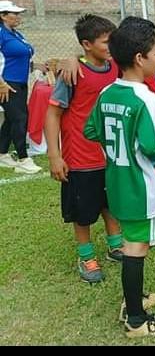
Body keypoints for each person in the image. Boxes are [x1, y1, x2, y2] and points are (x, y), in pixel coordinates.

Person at [59, 20, 155, 243]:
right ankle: (137, 232)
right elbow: (94, 60)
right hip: (142, 129)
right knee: (144, 174)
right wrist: (71, 59)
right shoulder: (123, 67)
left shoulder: (147, 67)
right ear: (137, 55)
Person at [84, 17, 155, 338]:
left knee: (132, 242)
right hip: (141, 188)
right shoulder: (145, 97)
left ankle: (133, 299)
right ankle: (136, 320)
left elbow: (91, 130)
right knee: (136, 247)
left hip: (117, 183)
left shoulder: (107, 92)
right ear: (140, 58)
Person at [44, 14, 124, 283]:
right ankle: (86, 257)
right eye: (106, 41)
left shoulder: (115, 67)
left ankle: (115, 245)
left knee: (110, 203)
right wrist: (54, 155)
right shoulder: (72, 73)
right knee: (83, 212)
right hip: (80, 157)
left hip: (110, 155)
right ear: (87, 44)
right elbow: (53, 114)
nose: (111, 46)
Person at [0, 0, 42, 174]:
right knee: (20, 118)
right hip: (7, 84)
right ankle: (24, 159)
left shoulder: (16, 34)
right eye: (14, 13)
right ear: (3, 16)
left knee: (11, 119)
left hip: (19, 82)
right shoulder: (1, 34)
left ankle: (2, 154)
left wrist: (38, 66)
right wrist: (1, 83)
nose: (18, 16)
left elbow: (19, 58)